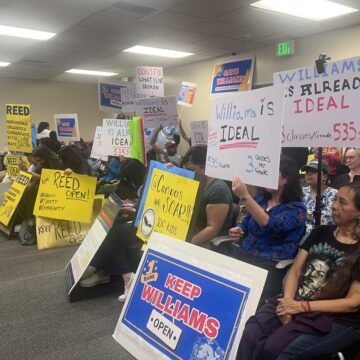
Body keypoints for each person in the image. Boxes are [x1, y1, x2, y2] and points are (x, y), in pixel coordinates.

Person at [237, 182, 360, 360]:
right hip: (295, 300)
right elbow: (295, 271)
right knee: (252, 331)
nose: (334, 206)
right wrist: (288, 303)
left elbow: (353, 303)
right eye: (335, 200)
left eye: (343, 203)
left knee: (276, 351)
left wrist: (300, 307)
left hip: (332, 317)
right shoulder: (321, 232)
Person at [229, 155, 306, 300]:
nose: (266, 177)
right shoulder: (260, 200)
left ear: (286, 179)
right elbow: (245, 223)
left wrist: (245, 196)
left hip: (269, 267)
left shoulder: (297, 210)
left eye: (272, 174)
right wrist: (239, 230)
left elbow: (271, 224)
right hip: (243, 256)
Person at [79, 158, 146, 301]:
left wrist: (133, 209)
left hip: (145, 224)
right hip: (132, 221)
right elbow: (119, 196)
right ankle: (104, 270)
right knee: (105, 227)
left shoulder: (150, 184)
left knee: (113, 233)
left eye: (127, 177)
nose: (125, 180)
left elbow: (150, 209)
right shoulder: (128, 184)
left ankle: (125, 276)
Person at [181, 146, 233, 247]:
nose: (190, 174)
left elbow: (212, 230)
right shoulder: (197, 185)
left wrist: (184, 245)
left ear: (205, 166)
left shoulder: (218, 189)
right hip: (191, 237)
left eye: (192, 169)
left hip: (205, 245)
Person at [301, 159, 337, 241]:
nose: (308, 174)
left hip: (322, 239)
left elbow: (332, 221)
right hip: (297, 238)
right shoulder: (300, 192)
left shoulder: (335, 194)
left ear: (325, 176)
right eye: (307, 171)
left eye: (314, 171)